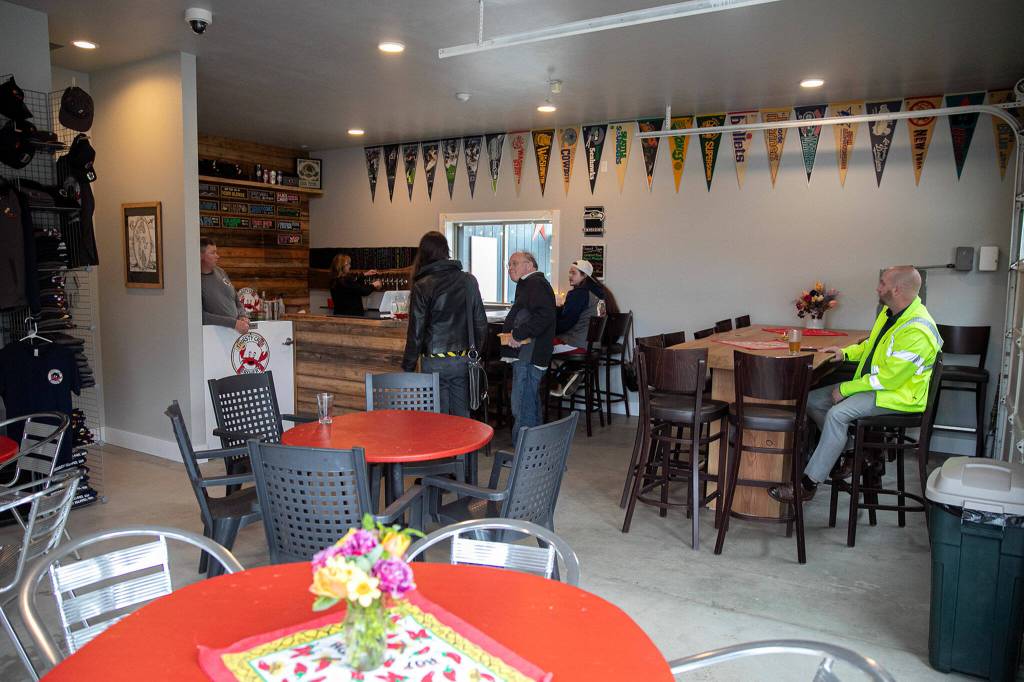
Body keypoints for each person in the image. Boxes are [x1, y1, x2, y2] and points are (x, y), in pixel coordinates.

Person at [769, 266, 942, 503]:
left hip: (897, 396)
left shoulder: (917, 329)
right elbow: (871, 347)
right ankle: (853, 450)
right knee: (812, 400)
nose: (877, 287)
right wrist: (845, 353)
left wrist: (845, 389)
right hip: (877, 387)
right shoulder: (890, 313)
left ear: (896, 288)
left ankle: (807, 484)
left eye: (882, 283)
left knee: (837, 415)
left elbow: (890, 379)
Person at [401, 231, 487, 417]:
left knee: (437, 421)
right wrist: (474, 353)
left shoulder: (422, 285)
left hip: (434, 362)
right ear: (446, 251)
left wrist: (408, 367)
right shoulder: (468, 281)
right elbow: (481, 323)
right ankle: (466, 447)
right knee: (463, 419)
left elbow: (415, 333)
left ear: (423, 254)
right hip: (462, 359)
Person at [502, 251, 556, 440]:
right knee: (529, 400)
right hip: (528, 353)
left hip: (529, 353)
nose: (510, 268)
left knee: (522, 403)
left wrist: (518, 333)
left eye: (514, 263)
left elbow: (545, 315)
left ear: (530, 265)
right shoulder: (529, 284)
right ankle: (535, 450)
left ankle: (524, 455)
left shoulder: (535, 283)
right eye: (509, 265)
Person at [550, 259, 605, 396]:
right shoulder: (599, 294)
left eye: (573, 273)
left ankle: (553, 385)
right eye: (569, 272)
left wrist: (547, 330)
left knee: (537, 345)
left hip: (578, 344)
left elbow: (567, 322)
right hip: (592, 344)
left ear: (584, 276)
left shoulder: (579, 294)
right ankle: (570, 374)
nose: (569, 276)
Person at [200, 238, 249, 333]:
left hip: (234, 332)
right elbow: (201, 317)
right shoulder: (195, 281)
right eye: (212, 253)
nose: (217, 256)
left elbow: (235, 299)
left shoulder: (221, 272)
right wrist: (233, 323)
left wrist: (242, 316)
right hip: (213, 336)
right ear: (201, 256)